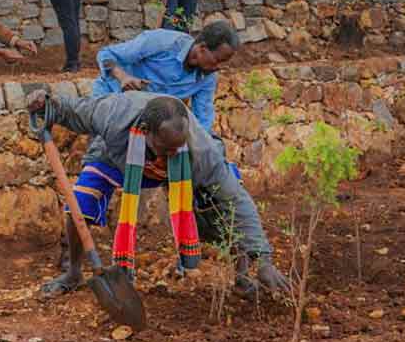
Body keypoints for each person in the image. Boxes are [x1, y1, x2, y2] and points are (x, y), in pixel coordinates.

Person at [29, 89, 290, 298]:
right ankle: (73, 273)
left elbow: (236, 200)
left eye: (176, 149)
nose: (170, 156)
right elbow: (74, 111)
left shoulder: (200, 153)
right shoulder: (115, 114)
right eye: (165, 149)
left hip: (180, 174)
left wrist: (263, 258)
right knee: (81, 203)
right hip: (114, 158)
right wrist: (46, 104)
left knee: (221, 206)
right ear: (146, 131)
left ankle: (243, 276)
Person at [92, 20, 239, 133]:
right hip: (111, 100)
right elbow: (106, 54)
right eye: (217, 60)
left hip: (143, 120)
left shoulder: (207, 77)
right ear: (202, 49)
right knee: (101, 155)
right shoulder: (162, 42)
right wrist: (123, 77)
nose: (219, 67)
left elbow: (203, 120)